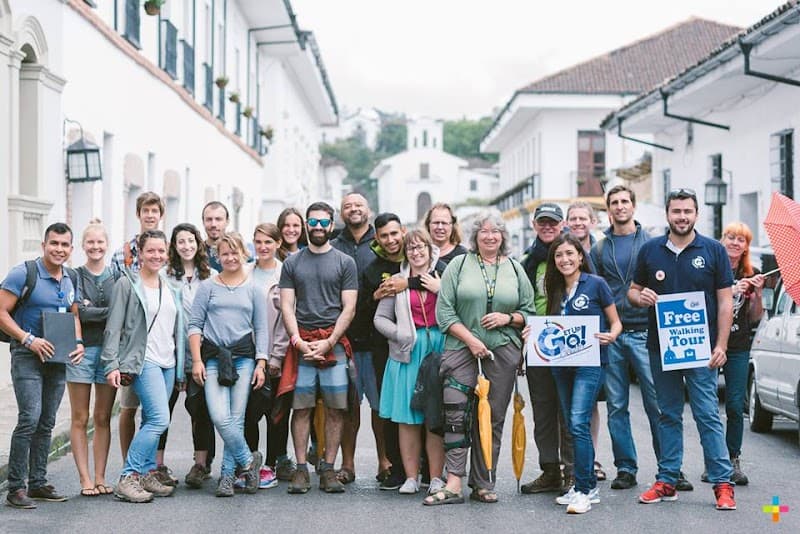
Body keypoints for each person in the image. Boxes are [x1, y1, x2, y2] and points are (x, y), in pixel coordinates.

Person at [629, 188, 736, 511]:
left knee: (707, 415)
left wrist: (721, 345)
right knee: (668, 415)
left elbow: (725, 300)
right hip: (662, 349)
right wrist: (641, 296)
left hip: (702, 350)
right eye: (676, 211)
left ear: (696, 214)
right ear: (667, 214)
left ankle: (722, 483)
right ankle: (667, 480)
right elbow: (632, 292)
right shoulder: (650, 251)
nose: (682, 217)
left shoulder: (714, 250)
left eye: (687, 211)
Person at [425, 211, 534, 505]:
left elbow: (530, 311)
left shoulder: (515, 268)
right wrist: (472, 341)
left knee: (492, 417)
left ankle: (484, 482)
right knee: (455, 415)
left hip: (502, 352)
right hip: (460, 349)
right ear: (475, 236)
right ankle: (454, 482)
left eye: (496, 231)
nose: (490, 236)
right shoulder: (459, 265)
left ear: (503, 237)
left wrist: (508, 318)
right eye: (484, 231)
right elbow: (444, 312)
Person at [0, 223, 85, 509]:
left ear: (71, 249)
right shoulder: (24, 272)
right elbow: (1, 312)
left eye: (64, 245)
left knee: (47, 421)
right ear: (44, 245)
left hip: (57, 358)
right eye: (54, 244)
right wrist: (27, 339)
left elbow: (74, 314)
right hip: (27, 356)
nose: (59, 249)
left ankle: (37, 483)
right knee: (30, 418)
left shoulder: (70, 277)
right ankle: (16, 488)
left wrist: (79, 342)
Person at [278, 201, 358, 495]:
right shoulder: (292, 263)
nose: (319, 228)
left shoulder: (344, 262)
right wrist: (297, 340)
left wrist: (329, 342)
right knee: (301, 409)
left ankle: (328, 469)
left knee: (337, 409)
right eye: (313, 223)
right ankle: (301, 470)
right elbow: (287, 304)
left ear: (332, 224)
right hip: (302, 345)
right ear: (306, 224)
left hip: (333, 344)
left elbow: (349, 307)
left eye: (324, 223)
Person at [539, 234, 621, 514]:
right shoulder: (555, 287)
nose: (565, 259)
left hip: (590, 362)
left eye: (569, 254)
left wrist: (611, 336)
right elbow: (552, 326)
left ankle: (584, 489)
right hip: (561, 365)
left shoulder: (596, 284)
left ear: (580, 257)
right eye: (559, 255)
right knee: (571, 424)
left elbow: (616, 323)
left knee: (577, 423)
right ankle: (585, 487)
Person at [590, 186, 663, 491]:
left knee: (657, 403)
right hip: (613, 334)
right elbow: (594, 290)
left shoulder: (652, 243)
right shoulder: (600, 248)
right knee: (617, 405)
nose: (620, 207)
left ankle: (669, 468)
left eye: (625, 202)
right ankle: (626, 467)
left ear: (634, 206)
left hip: (646, 332)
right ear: (609, 210)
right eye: (614, 203)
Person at [103, 230, 184, 503]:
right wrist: (111, 364)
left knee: (152, 420)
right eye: (151, 250)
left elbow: (178, 331)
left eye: (161, 251)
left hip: (168, 362)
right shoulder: (127, 284)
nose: (157, 256)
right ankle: (128, 476)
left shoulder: (171, 286)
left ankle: (148, 473)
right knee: (161, 419)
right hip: (143, 360)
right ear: (140, 252)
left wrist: (181, 368)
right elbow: (113, 327)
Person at [189, 232, 267, 497]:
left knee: (236, 417)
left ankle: (227, 476)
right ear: (217, 256)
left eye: (235, 252)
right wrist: (197, 360)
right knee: (219, 416)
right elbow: (194, 325)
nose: (230, 258)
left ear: (243, 254)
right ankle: (248, 461)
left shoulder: (254, 289)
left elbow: (261, 329)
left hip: (244, 358)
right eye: (225, 253)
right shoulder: (208, 287)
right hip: (212, 358)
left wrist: (261, 363)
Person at [374, 229, 446, 496]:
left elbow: (459, 307)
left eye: (421, 248)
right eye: (411, 249)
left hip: (438, 348)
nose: (416, 253)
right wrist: (400, 334)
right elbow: (380, 318)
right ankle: (411, 477)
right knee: (408, 419)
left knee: (434, 417)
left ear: (430, 250)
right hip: (408, 352)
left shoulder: (443, 277)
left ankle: (437, 477)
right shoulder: (396, 280)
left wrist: (442, 290)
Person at [331, 193, 386, 485]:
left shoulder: (383, 243)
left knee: (380, 408)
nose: (354, 209)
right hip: (345, 340)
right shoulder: (333, 244)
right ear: (342, 213)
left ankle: (384, 461)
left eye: (359, 205)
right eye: (348, 206)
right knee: (348, 406)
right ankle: (347, 465)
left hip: (379, 340)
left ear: (368, 210)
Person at [703, 222, 763, 486]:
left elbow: (755, 317)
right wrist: (730, 291)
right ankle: (713, 461)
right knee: (707, 406)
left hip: (738, 346)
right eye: (731, 237)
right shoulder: (711, 269)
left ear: (746, 246)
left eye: (742, 240)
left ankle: (733, 458)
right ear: (722, 239)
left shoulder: (752, 273)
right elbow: (703, 304)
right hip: (711, 343)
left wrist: (757, 294)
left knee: (736, 405)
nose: (735, 243)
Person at [520, 203, 573, 494]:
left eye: (553, 222)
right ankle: (549, 469)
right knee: (543, 411)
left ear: (562, 223)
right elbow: (521, 302)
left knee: (568, 410)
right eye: (543, 222)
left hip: (571, 343)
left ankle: (571, 470)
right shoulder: (528, 261)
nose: (548, 227)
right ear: (534, 224)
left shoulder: (572, 253)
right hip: (539, 343)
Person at [111, 191, 165, 463]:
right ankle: (128, 464)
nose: (150, 215)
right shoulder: (122, 254)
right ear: (138, 214)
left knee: (156, 413)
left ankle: (152, 465)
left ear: (161, 215)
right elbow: (116, 301)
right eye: (146, 210)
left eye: (155, 211)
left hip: (160, 345)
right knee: (129, 408)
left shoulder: (166, 251)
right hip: (132, 346)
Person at [161, 223, 217, 489]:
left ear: (198, 244)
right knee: (162, 411)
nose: (186, 246)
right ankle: (158, 465)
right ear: (174, 246)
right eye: (181, 241)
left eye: (191, 241)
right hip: (168, 353)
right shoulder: (164, 276)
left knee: (200, 409)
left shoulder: (212, 277)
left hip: (201, 354)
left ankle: (200, 464)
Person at [359, 212, 410, 490]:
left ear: (402, 231)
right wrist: (374, 297)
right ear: (376, 238)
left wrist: (408, 282)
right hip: (384, 349)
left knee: (420, 404)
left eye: (394, 233)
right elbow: (360, 315)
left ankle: (424, 466)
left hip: (419, 344)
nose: (391, 240)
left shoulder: (416, 259)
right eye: (384, 236)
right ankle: (395, 466)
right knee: (390, 407)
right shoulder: (371, 269)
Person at [69, 220, 119, 497]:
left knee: (102, 417)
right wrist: (102, 312)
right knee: (80, 416)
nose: (95, 247)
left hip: (109, 353)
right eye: (90, 242)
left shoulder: (117, 276)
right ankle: (85, 478)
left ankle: (101, 477)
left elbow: (119, 315)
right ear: (83, 246)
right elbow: (76, 312)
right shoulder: (73, 276)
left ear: (106, 245)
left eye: (100, 242)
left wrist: (91, 310)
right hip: (80, 351)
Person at [242, 223, 291, 488]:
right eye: (259, 242)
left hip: (275, 354)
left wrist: (277, 356)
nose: (263, 247)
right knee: (249, 411)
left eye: (268, 243)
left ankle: (271, 463)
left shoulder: (285, 274)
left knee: (276, 413)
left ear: (278, 244)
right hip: (247, 354)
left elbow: (287, 317)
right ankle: (251, 461)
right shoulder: (245, 272)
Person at [566, 201, 606, 482]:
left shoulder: (602, 252)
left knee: (590, 404)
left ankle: (592, 459)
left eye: (583, 218)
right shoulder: (560, 250)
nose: (578, 222)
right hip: (563, 338)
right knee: (571, 405)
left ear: (592, 221)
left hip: (595, 336)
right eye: (573, 218)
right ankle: (573, 462)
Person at [202, 201, 230, 272]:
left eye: (218, 219)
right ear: (203, 222)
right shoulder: (195, 253)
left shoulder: (238, 253)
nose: (213, 224)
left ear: (227, 222)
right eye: (209, 219)